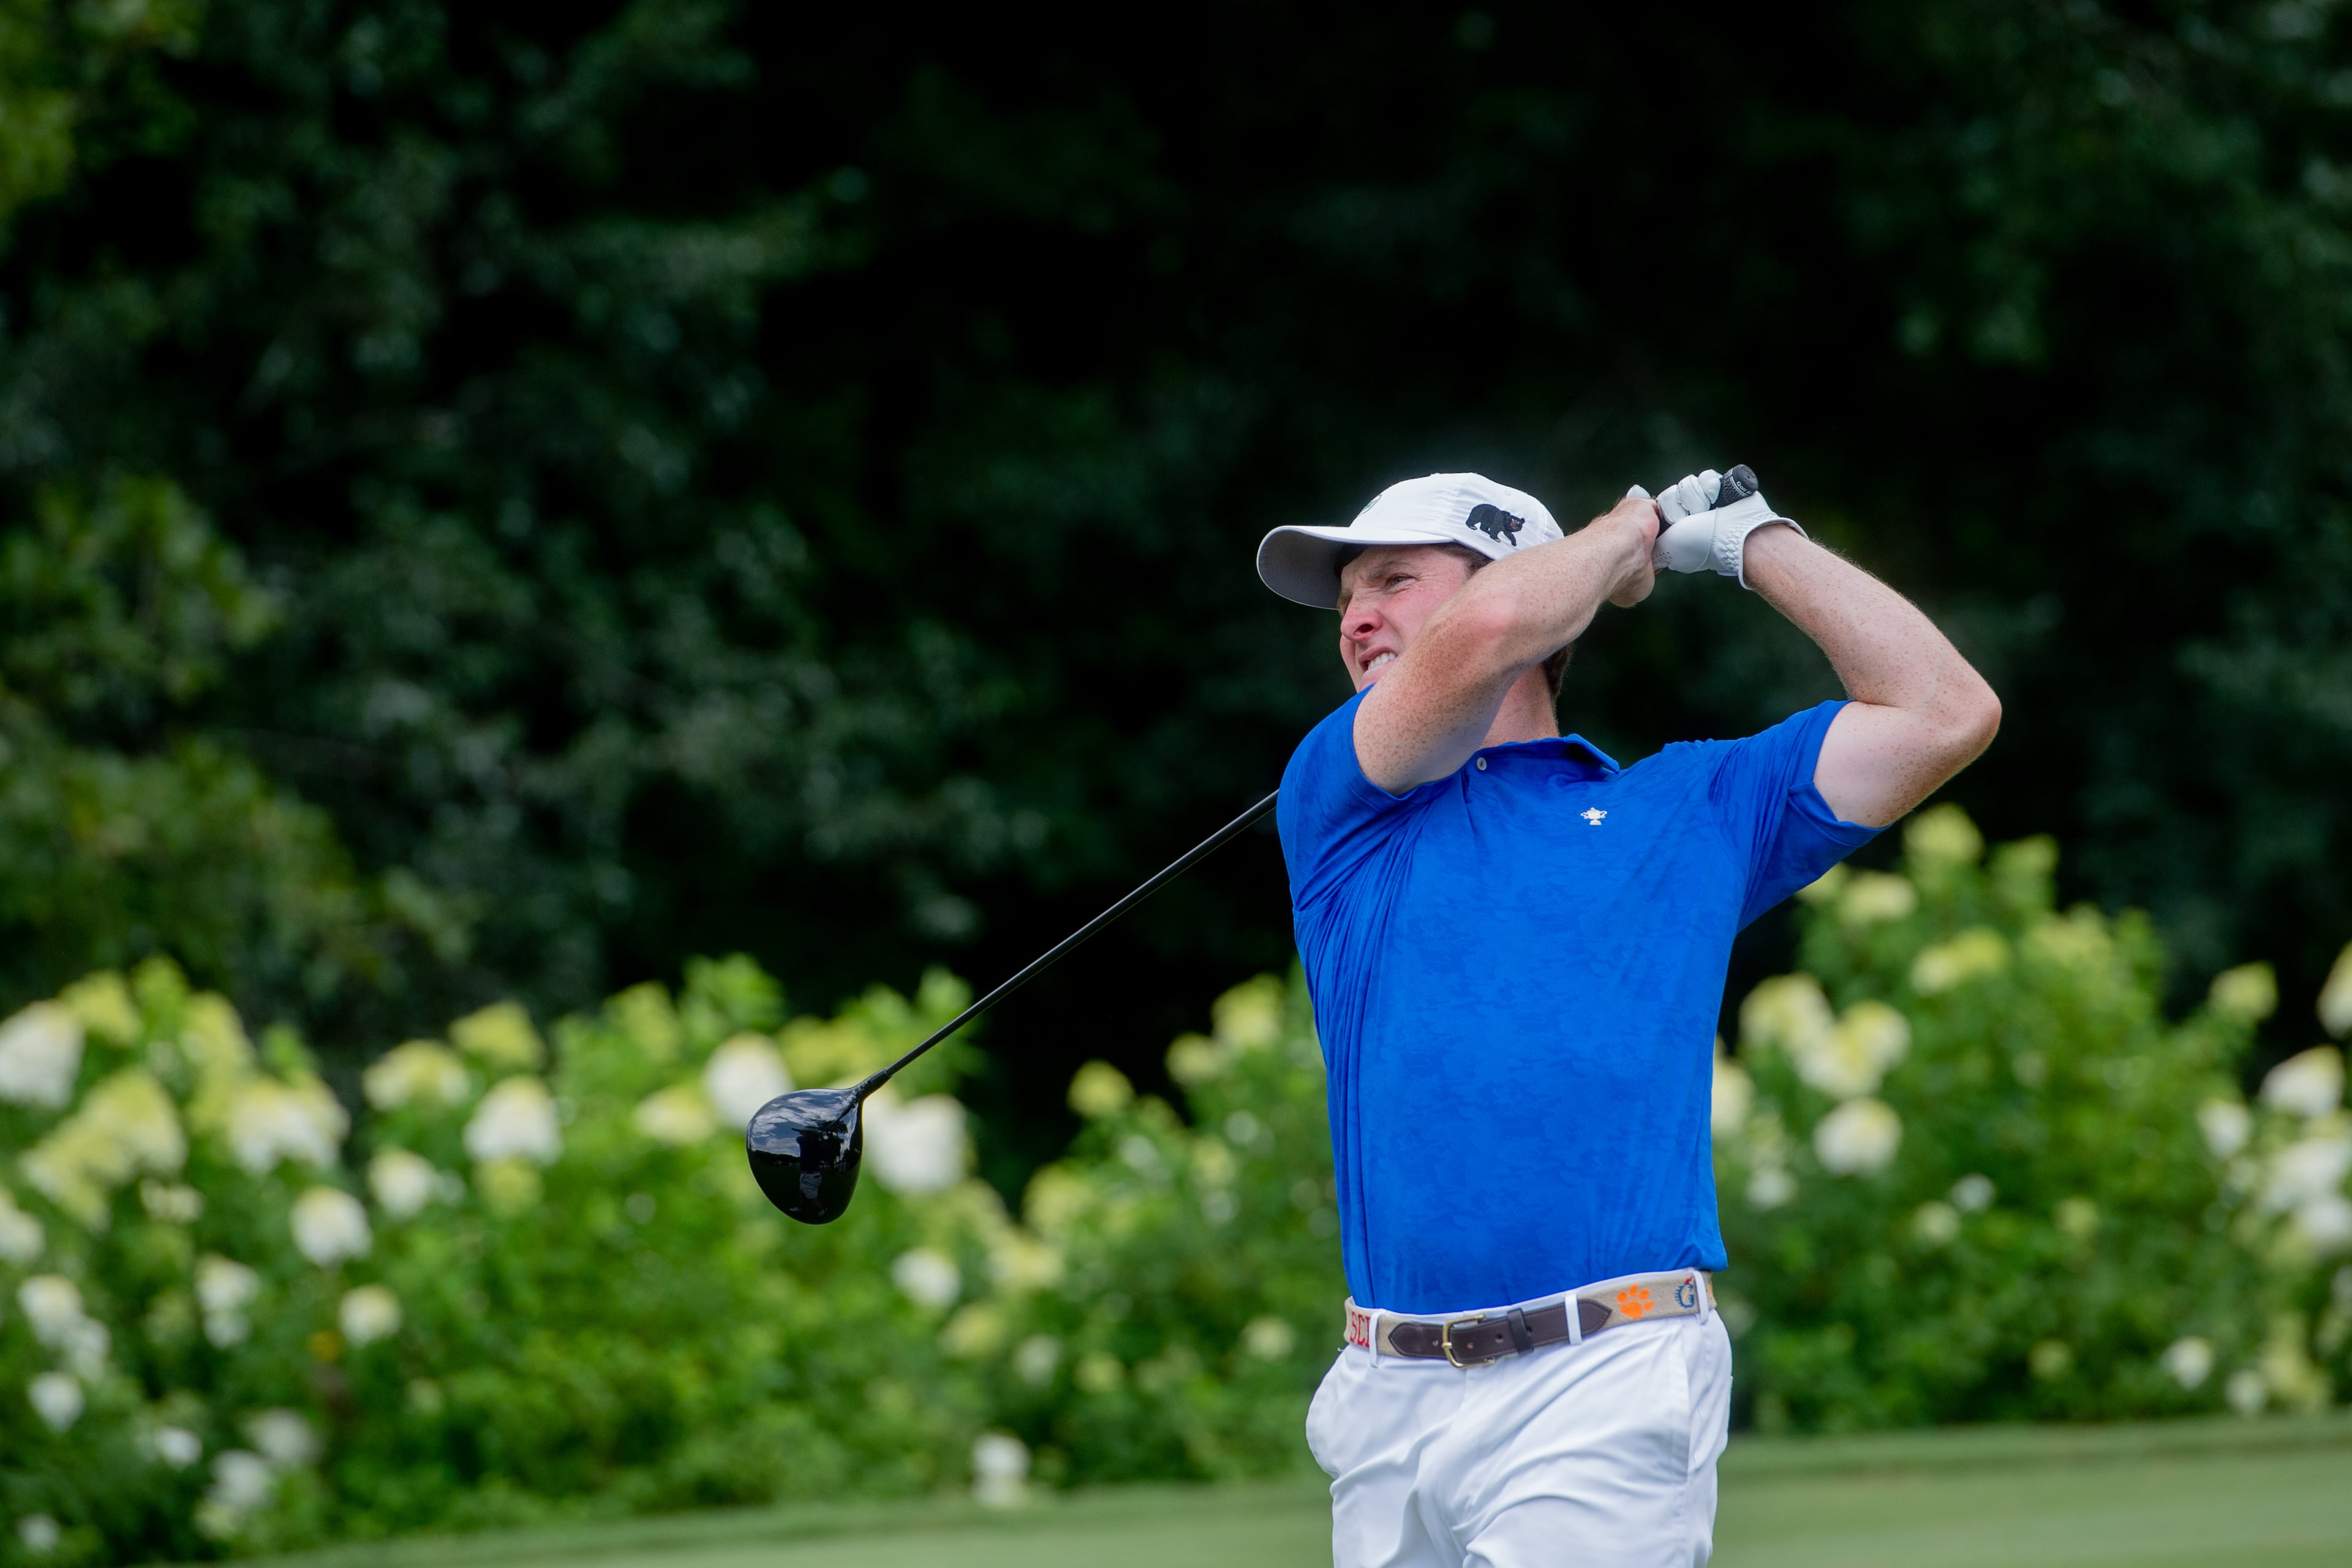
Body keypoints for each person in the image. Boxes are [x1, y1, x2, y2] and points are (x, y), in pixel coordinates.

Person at [1254, 468, 1999, 1568]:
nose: (1357, 616)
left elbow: (1947, 711)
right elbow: (1492, 626)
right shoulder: (1342, 799)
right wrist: (1630, 532)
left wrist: (1755, 542)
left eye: (1396, 581)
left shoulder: (1690, 807)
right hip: (1384, 1401)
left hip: (1604, 1374)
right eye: (1349, 597)